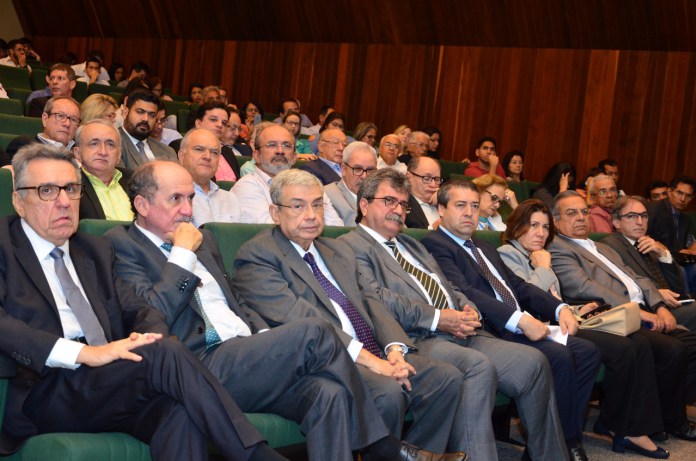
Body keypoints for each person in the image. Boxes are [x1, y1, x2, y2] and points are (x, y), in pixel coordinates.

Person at [106, 160, 421, 461]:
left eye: (190, 198)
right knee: (315, 329)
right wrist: (182, 254)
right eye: (176, 199)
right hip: (195, 365)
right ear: (142, 205)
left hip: (246, 355)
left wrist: (268, 338)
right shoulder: (121, 245)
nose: (188, 210)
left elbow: (236, 302)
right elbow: (153, 317)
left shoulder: (206, 240)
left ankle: (376, 443)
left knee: (328, 394)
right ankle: (380, 445)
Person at [0, 143, 287, 461]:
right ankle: (256, 455)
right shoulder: (4, 245)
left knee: (180, 412)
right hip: (47, 388)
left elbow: (138, 309)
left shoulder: (93, 250)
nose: (64, 202)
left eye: (71, 189)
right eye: (47, 191)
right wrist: (84, 353)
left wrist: (149, 338)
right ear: (18, 201)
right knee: (165, 352)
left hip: (110, 379)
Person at [232, 169, 467, 460]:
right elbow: (300, 320)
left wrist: (394, 350)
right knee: (388, 392)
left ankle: (417, 454)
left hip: (375, 352)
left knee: (445, 379)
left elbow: (372, 302)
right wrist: (374, 363)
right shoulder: (258, 255)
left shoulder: (336, 250)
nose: (311, 215)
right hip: (327, 360)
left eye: (317, 204)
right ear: (275, 213)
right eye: (298, 206)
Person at [339, 170, 569, 461]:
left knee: (534, 362)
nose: (398, 209)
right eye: (389, 201)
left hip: (460, 329)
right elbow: (377, 299)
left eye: (403, 204)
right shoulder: (349, 246)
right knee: (477, 366)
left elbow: (448, 286)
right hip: (418, 337)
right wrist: (439, 317)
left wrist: (467, 308)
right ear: (364, 205)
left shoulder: (411, 244)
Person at [420, 180, 602, 461]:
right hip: (492, 330)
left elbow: (517, 286)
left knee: (588, 352)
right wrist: (519, 320)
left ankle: (563, 438)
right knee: (560, 356)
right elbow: (465, 293)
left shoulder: (483, 246)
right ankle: (564, 445)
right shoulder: (435, 245)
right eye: (460, 205)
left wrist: (560, 308)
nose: (469, 212)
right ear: (441, 209)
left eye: (474, 206)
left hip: (517, 323)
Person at [499, 199, 675, 459]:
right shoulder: (507, 254)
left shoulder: (539, 254)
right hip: (534, 328)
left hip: (566, 321)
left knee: (634, 343)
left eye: (545, 227)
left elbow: (555, 299)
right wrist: (544, 267)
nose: (541, 233)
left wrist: (577, 309)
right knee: (615, 348)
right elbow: (523, 298)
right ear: (516, 228)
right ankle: (580, 436)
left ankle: (621, 428)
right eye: (533, 225)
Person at [549, 191, 696, 447]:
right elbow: (584, 287)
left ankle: (667, 416)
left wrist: (660, 306)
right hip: (612, 314)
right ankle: (663, 420)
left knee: (686, 344)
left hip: (641, 308)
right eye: (571, 213)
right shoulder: (558, 248)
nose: (581, 218)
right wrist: (637, 311)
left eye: (584, 211)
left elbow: (638, 279)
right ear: (555, 220)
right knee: (673, 348)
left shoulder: (602, 247)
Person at [603, 195, 696, 329]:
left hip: (671, 305)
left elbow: (677, 288)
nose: (640, 222)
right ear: (616, 222)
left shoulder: (649, 243)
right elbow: (618, 287)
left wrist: (663, 255)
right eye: (631, 216)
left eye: (644, 216)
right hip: (647, 310)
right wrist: (656, 294)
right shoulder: (610, 246)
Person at [232, 123, 343, 225]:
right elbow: (268, 229)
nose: (280, 151)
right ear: (257, 155)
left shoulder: (311, 185)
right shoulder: (246, 186)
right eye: (271, 145)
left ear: (294, 157)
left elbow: (336, 226)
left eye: (287, 145)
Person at [175, 128, 241, 226]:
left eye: (214, 152)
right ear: (181, 155)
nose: (208, 156)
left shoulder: (230, 198)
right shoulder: (173, 196)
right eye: (199, 149)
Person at [73, 120, 133, 221]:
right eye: (94, 144)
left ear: (119, 155)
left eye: (110, 145)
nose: (103, 152)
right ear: (78, 153)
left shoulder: (134, 180)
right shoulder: (71, 185)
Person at [169, 101, 241, 181]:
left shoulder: (228, 151)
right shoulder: (178, 145)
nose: (220, 125)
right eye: (213, 120)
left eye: (224, 123)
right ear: (198, 123)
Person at [118, 90, 176, 170]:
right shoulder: (113, 144)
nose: (146, 119)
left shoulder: (168, 152)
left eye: (152, 115)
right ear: (125, 113)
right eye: (140, 112)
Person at [6, 97, 81, 159]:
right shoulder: (25, 145)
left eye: (73, 120)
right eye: (60, 116)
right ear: (45, 119)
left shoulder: (80, 153)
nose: (67, 124)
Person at [324, 141, 377, 226]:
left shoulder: (381, 196)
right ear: (343, 169)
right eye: (358, 169)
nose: (364, 176)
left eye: (370, 170)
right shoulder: (327, 195)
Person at [405, 157, 444, 229]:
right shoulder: (401, 205)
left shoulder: (444, 202)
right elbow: (407, 234)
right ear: (409, 177)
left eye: (436, 179)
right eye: (426, 178)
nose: (433, 185)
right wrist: (441, 224)